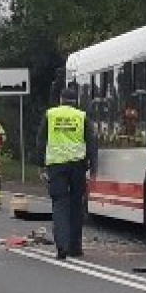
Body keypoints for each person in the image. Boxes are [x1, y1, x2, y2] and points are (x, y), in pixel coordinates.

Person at [39, 84, 98, 260]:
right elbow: (91, 142)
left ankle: (62, 247)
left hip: (56, 166)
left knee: (59, 204)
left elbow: (41, 140)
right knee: (76, 204)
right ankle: (75, 247)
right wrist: (94, 167)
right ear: (75, 101)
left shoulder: (50, 115)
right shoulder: (82, 116)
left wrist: (40, 165)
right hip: (78, 166)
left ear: (61, 100)